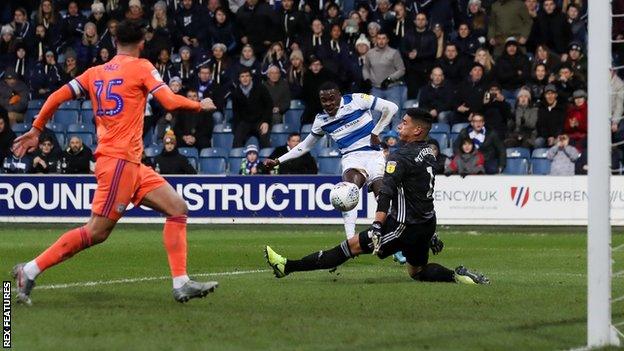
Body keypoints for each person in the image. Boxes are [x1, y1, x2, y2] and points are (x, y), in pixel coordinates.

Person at [11, 20, 219, 305]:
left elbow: (58, 95)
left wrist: (36, 129)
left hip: (131, 163)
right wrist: (200, 105)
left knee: (177, 208)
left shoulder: (94, 72)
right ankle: (30, 269)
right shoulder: (142, 66)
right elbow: (169, 102)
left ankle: (181, 282)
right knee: (96, 232)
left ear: (113, 41)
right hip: (119, 161)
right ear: (142, 43)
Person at [264, 108, 489, 285]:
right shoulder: (428, 152)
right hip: (426, 222)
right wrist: (430, 234)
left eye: (405, 122)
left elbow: (386, 193)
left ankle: (287, 266)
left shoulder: (399, 156)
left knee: (349, 247)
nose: (400, 125)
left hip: (403, 226)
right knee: (417, 271)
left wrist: (378, 226)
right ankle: (457, 276)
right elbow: (420, 193)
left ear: (418, 130)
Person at [264, 82, 398, 240]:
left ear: (339, 96)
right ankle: (350, 241)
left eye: (331, 99)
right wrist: (278, 160)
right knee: (347, 192)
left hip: (374, 156)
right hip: (351, 158)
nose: (328, 103)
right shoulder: (322, 120)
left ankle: (394, 240)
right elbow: (305, 146)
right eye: (324, 100)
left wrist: (376, 132)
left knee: (382, 197)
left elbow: (392, 107)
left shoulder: (357, 100)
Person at [363, 31, 405, 116]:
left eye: (383, 38)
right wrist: (367, 78)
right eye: (379, 38)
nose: (381, 41)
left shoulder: (394, 53)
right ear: (376, 40)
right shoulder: (370, 53)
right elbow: (365, 68)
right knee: (374, 116)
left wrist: (390, 79)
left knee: (394, 115)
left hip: (392, 88)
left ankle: (394, 130)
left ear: (387, 40)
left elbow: (401, 70)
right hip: (375, 89)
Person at [231, 68, 273, 148]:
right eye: (242, 76)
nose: (245, 78)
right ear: (239, 79)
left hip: (260, 121)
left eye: (247, 76)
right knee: (237, 140)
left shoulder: (261, 88)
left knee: (265, 140)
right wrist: (237, 128)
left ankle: (267, 159)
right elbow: (236, 112)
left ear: (251, 77)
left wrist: (266, 121)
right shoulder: (236, 92)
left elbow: (269, 105)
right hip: (245, 122)